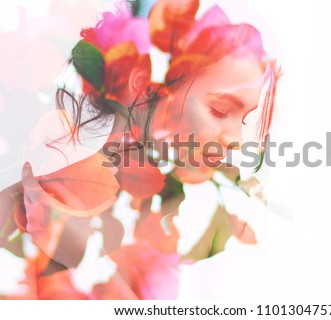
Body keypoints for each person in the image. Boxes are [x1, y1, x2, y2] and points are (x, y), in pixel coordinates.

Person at [0, 0, 280, 299]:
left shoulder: (144, 197)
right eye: (220, 109)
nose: (236, 138)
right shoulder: (50, 155)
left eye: (247, 118)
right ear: (143, 86)